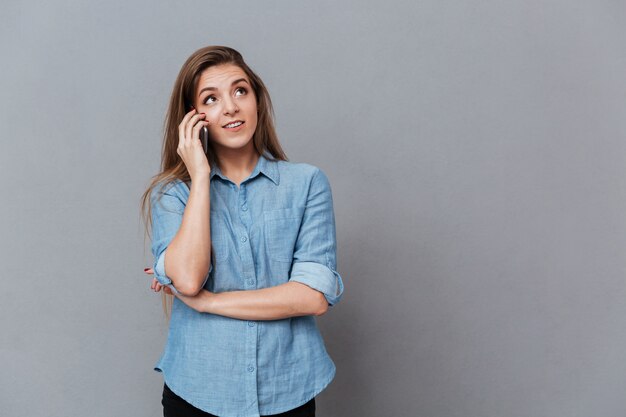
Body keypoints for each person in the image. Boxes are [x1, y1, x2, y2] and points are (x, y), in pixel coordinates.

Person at [140, 45, 345, 417]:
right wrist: (200, 176)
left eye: (240, 91)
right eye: (211, 98)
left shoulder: (306, 183)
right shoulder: (173, 194)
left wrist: (210, 302)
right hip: (197, 391)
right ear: (194, 118)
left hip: (289, 390)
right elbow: (187, 279)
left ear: (256, 99)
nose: (231, 107)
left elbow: (312, 297)